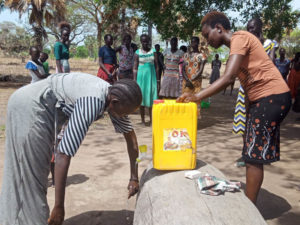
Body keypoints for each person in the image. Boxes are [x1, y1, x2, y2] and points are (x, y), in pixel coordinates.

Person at [177, 11, 291, 205]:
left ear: (219, 29)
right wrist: (248, 110)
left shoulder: (240, 38)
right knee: (251, 151)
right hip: (264, 100)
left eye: (207, 35)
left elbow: (228, 78)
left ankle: (249, 209)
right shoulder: (235, 49)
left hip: (271, 97)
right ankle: (250, 202)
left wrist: (197, 96)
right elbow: (247, 82)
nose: (206, 40)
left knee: (253, 157)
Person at [0, 73, 142, 225]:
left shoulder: (113, 96)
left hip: (42, 109)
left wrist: (134, 178)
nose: (126, 115)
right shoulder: (92, 101)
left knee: (35, 172)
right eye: (127, 112)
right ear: (114, 101)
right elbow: (63, 155)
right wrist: (59, 207)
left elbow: (131, 140)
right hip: (31, 107)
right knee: (31, 176)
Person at [133, 34, 159, 125]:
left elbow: (157, 67)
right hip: (141, 78)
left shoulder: (153, 51)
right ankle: (143, 120)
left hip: (151, 78)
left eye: (146, 41)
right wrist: (135, 81)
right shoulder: (137, 52)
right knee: (142, 99)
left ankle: (152, 120)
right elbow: (135, 68)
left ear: (149, 41)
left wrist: (158, 80)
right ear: (141, 42)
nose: (145, 43)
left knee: (151, 98)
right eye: (143, 41)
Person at [182, 36, 207, 112]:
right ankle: (185, 119)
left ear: (198, 43)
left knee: (195, 100)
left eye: (195, 42)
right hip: (186, 81)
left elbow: (200, 70)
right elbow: (183, 69)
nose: (193, 43)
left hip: (196, 82)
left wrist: (191, 80)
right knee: (185, 99)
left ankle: (194, 120)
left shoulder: (202, 56)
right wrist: (187, 80)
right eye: (192, 42)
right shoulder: (186, 55)